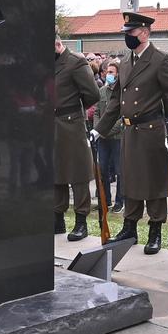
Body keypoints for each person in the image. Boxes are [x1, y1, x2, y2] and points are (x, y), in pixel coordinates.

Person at [105, 11, 168, 254]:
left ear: (145, 32)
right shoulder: (126, 61)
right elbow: (117, 101)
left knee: (153, 182)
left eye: (131, 32)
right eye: (126, 33)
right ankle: (130, 226)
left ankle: (155, 230)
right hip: (130, 131)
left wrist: (155, 114)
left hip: (151, 129)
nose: (128, 36)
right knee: (130, 178)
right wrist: (99, 131)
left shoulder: (161, 59)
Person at [54, 36, 101, 241]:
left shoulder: (75, 62)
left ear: (57, 44)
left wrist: (74, 109)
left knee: (78, 172)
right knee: (55, 172)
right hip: (52, 123)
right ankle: (57, 218)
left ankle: (81, 220)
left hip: (71, 122)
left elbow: (92, 94)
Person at [93, 60, 123, 211]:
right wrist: (99, 129)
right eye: (107, 72)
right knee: (103, 169)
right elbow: (97, 112)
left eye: (111, 72)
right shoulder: (102, 92)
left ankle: (119, 202)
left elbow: (122, 118)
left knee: (119, 171)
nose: (108, 75)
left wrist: (106, 130)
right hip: (103, 139)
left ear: (118, 75)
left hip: (117, 138)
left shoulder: (122, 93)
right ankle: (105, 200)